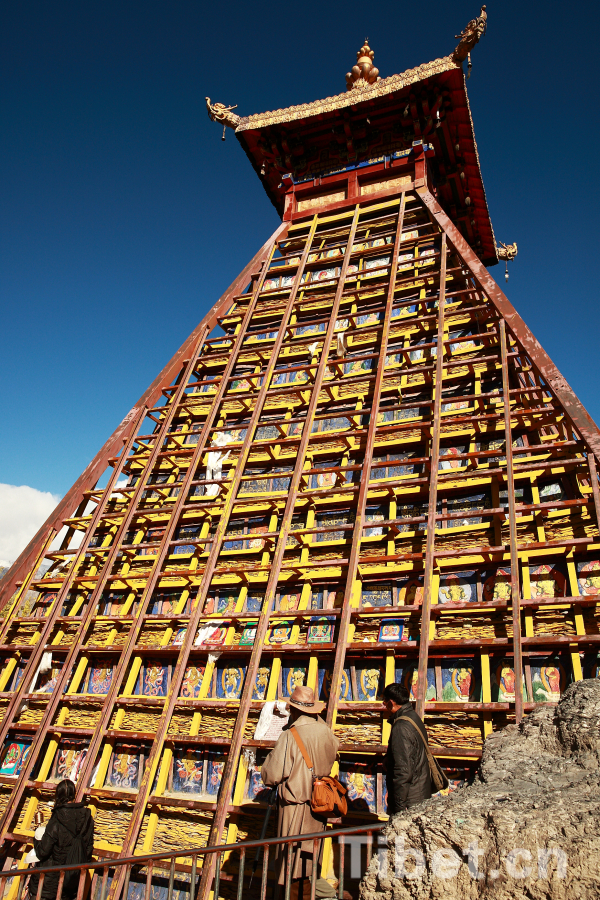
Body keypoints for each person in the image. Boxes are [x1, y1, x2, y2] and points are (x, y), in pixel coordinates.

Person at [261, 686, 339, 900]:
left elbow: (272, 775)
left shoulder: (290, 736)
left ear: (293, 710)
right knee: (308, 861)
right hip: (318, 805)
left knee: (291, 865)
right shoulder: (326, 732)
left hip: (294, 808)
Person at [29, 779, 94, 899]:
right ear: (74, 794)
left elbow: (43, 851)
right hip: (72, 881)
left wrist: (37, 838)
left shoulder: (57, 819)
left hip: (49, 884)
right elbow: (88, 848)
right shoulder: (87, 818)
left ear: (58, 795)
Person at [382, 682, 432, 814]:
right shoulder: (413, 717)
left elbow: (403, 771)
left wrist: (399, 808)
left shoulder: (401, 727)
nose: (383, 704)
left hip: (410, 799)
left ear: (391, 703)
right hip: (419, 792)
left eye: (385, 701)